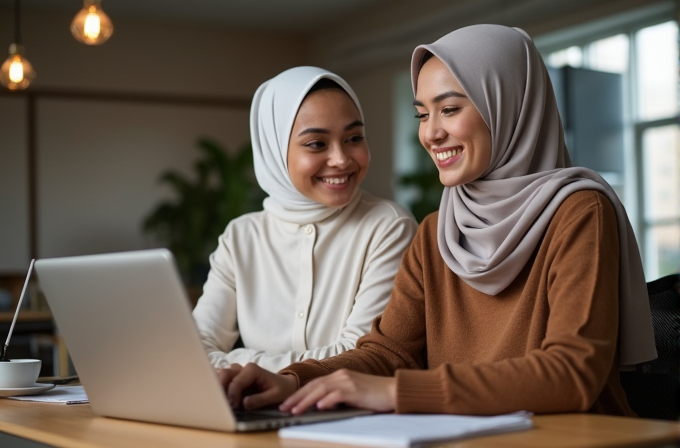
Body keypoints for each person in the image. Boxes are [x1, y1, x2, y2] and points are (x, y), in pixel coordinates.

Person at [216, 25, 657, 417]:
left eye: (449, 109)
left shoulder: (578, 211)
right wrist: (293, 380)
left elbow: (572, 373)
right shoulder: (437, 231)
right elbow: (387, 352)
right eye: (422, 114)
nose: (430, 133)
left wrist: (397, 393)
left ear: (508, 106)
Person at [192, 66, 418, 373]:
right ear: (275, 150)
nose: (340, 159)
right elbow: (194, 348)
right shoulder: (241, 237)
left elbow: (358, 356)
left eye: (354, 138)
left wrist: (239, 365)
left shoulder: (388, 226)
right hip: (252, 405)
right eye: (317, 144)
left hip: (345, 414)